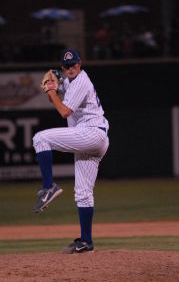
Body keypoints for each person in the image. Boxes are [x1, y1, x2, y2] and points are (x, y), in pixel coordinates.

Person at [32, 48, 109, 254]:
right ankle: (86, 242)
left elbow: (64, 111)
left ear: (80, 64)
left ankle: (49, 187)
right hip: (93, 138)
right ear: (63, 68)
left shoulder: (82, 80)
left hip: (91, 133)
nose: (70, 68)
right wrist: (53, 91)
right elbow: (60, 103)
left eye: (73, 64)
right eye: (66, 66)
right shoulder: (69, 82)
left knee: (40, 138)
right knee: (83, 193)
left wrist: (50, 91)